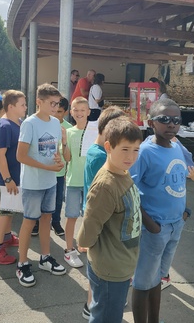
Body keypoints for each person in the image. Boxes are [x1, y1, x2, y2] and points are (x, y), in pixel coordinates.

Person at [130, 98, 194, 323]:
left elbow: (188, 174)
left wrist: (184, 213)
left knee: (157, 279)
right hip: (155, 227)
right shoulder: (144, 152)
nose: (171, 125)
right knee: (143, 282)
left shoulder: (177, 146)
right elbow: (129, 190)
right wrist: (150, 224)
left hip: (175, 224)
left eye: (176, 120)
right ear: (151, 123)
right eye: (164, 120)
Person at [78, 117, 143, 323]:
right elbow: (91, 222)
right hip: (109, 267)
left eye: (135, 150)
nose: (131, 156)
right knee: (106, 316)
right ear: (108, 146)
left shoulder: (122, 172)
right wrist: (84, 243)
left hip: (121, 262)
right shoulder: (106, 185)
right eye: (125, 149)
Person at [15, 83, 67, 287]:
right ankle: (22, 263)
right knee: (29, 221)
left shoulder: (55, 123)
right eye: (52, 103)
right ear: (39, 102)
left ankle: (45, 257)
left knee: (47, 218)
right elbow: (21, 156)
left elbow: (54, 152)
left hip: (50, 181)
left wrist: (58, 162)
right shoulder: (29, 123)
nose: (55, 107)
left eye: (58, 103)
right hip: (32, 183)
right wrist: (48, 168)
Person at [81, 105, 126, 320]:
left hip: (98, 216)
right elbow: (101, 196)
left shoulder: (96, 150)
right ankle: (93, 305)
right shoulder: (101, 157)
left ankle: (92, 303)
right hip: (102, 219)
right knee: (99, 267)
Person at [0, 90, 27, 264]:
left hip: (14, 178)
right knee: (5, 213)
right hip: (8, 180)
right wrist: (8, 179)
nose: (25, 107)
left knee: (10, 211)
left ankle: (7, 237)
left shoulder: (17, 123)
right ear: (11, 106)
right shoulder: (4, 126)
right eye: (23, 105)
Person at [63, 96, 90, 268]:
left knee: (89, 217)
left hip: (91, 182)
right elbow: (68, 158)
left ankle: (84, 243)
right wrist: (65, 142)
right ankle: (69, 249)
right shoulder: (69, 132)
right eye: (76, 110)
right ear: (71, 112)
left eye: (82, 110)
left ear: (88, 112)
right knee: (71, 216)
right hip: (73, 181)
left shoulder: (95, 131)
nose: (79, 113)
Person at [51, 97, 73, 236]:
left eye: (59, 111)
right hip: (45, 170)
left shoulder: (69, 128)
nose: (55, 114)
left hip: (60, 171)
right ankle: (37, 222)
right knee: (42, 198)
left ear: (65, 112)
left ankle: (56, 222)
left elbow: (69, 152)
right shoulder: (45, 124)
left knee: (58, 199)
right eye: (54, 110)